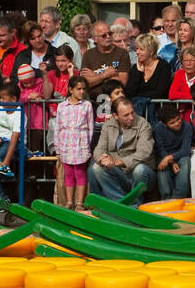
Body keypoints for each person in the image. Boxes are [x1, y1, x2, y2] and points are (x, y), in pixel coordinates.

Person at [89, 96, 154, 199]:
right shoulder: (108, 125)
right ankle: (118, 202)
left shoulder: (143, 125)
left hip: (141, 173)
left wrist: (119, 162)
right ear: (115, 116)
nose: (131, 117)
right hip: (119, 172)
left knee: (140, 169)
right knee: (96, 167)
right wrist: (103, 159)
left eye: (132, 112)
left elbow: (144, 152)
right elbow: (99, 148)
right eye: (126, 115)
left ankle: (134, 204)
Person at [53, 76, 94, 210]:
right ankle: (69, 201)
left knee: (80, 173)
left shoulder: (87, 105)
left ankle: (79, 202)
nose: (82, 92)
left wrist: (87, 146)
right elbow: (57, 127)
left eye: (83, 89)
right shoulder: (62, 106)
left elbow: (90, 127)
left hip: (80, 143)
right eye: (78, 89)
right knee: (68, 173)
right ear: (70, 90)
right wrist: (58, 148)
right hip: (66, 142)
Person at [81, 22, 131, 103]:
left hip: (115, 103)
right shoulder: (88, 54)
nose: (108, 37)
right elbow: (85, 84)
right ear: (95, 39)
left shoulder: (122, 53)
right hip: (93, 102)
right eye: (104, 35)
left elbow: (122, 82)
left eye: (110, 33)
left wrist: (95, 76)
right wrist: (105, 75)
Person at [150, 102, 192, 200]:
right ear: (165, 124)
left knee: (185, 161)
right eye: (172, 123)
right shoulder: (158, 129)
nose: (177, 123)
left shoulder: (187, 127)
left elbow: (185, 150)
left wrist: (170, 158)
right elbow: (160, 149)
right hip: (164, 156)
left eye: (178, 119)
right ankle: (166, 200)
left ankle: (178, 199)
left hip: (180, 155)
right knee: (163, 173)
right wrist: (171, 161)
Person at [127, 33, 172, 122]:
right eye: (136, 48)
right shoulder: (135, 68)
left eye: (141, 49)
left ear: (151, 51)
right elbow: (129, 92)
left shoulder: (163, 66)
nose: (137, 52)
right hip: (138, 115)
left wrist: (140, 96)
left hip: (158, 114)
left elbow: (160, 93)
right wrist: (139, 73)